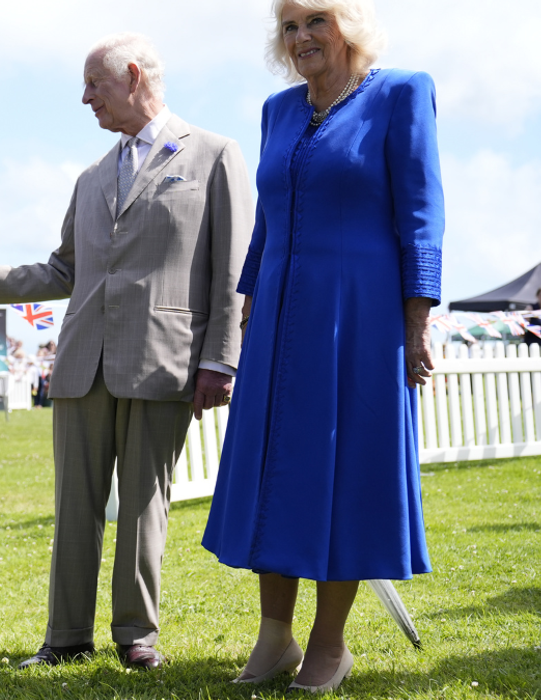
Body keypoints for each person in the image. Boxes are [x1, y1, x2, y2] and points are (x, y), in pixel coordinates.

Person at [0, 32, 251, 670]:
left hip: (166, 363)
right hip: (82, 365)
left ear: (134, 76)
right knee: (74, 508)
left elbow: (233, 270)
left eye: (94, 85)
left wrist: (222, 359)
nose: (85, 99)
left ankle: (136, 636)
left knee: (142, 504)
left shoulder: (216, 155)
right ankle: (65, 638)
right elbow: (63, 269)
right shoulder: (91, 176)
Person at [201, 0, 443, 692]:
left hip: (359, 317)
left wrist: (416, 319)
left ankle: (328, 644)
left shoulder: (401, 92)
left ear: (351, 26)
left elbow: (421, 214)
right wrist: (248, 308)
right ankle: (272, 638)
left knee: (346, 472)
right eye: (288, 26)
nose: (300, 36)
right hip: (278, 316)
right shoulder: (277, 109)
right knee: (274, 466)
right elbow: (265, 228)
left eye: (315, 20)